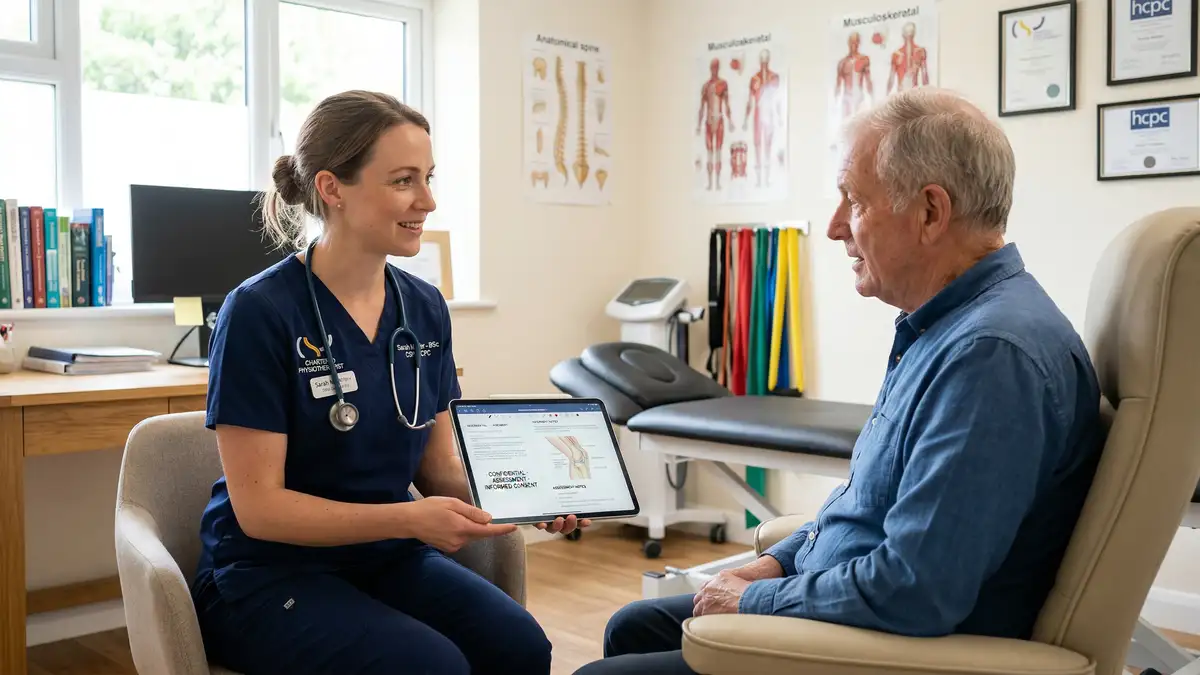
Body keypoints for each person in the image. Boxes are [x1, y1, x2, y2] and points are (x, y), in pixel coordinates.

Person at [574, 87, 1105, 674]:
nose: (832, 227)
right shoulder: (944, 328)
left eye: (852, 200)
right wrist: (778, 562)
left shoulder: (991, 357)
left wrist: (755, 599)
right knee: (634, 627)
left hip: (896, 651)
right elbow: (865, 506)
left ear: (931, 212)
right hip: (856, 604)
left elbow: (916, 589)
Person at [191, 90, 588, 675]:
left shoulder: (424, 308)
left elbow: (436, 468)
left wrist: (527, 496)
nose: (427, 200)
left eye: (428, 178)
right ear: (332, 189)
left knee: (519, 645)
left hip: (383, 556)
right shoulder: (259, 312)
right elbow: (261, 511)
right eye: (404, 180)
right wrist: (408, 519)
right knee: (430, 667)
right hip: (270, 571)